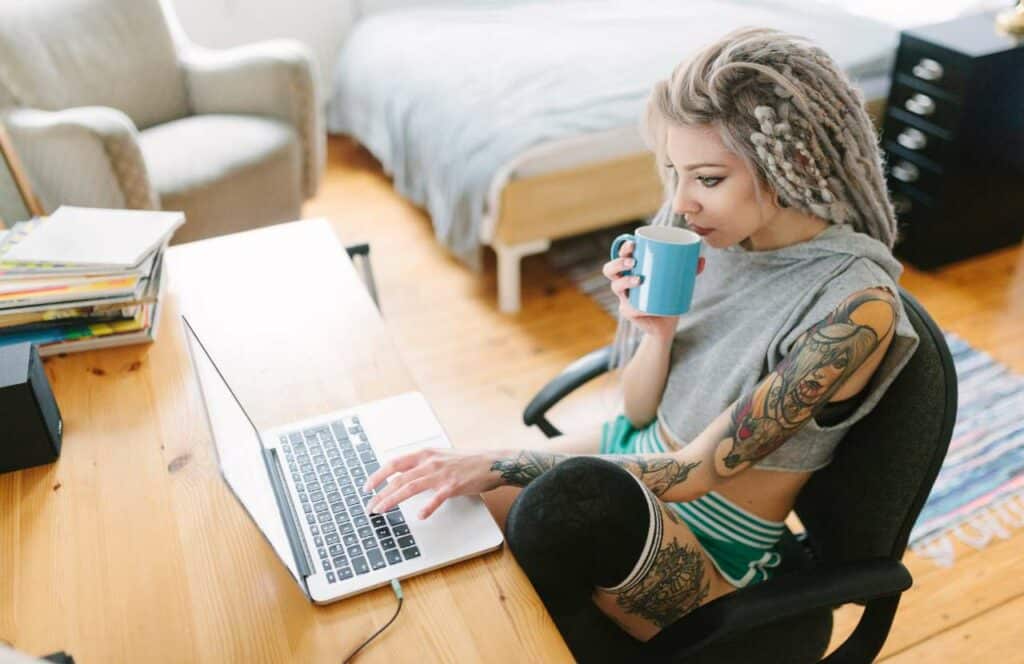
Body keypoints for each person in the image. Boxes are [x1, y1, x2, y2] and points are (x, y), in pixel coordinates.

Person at [363, 26, 919, 652]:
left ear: (788, 166)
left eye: (707, 178)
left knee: (552, 503)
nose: (680, 204)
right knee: (432, 512)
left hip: (710, 540)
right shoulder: (724, 240)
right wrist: (654, 333)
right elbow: (635, 414)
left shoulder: (856, 310)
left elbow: (692, 473)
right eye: (674, 173)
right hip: (636, 456)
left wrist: (497, 463)